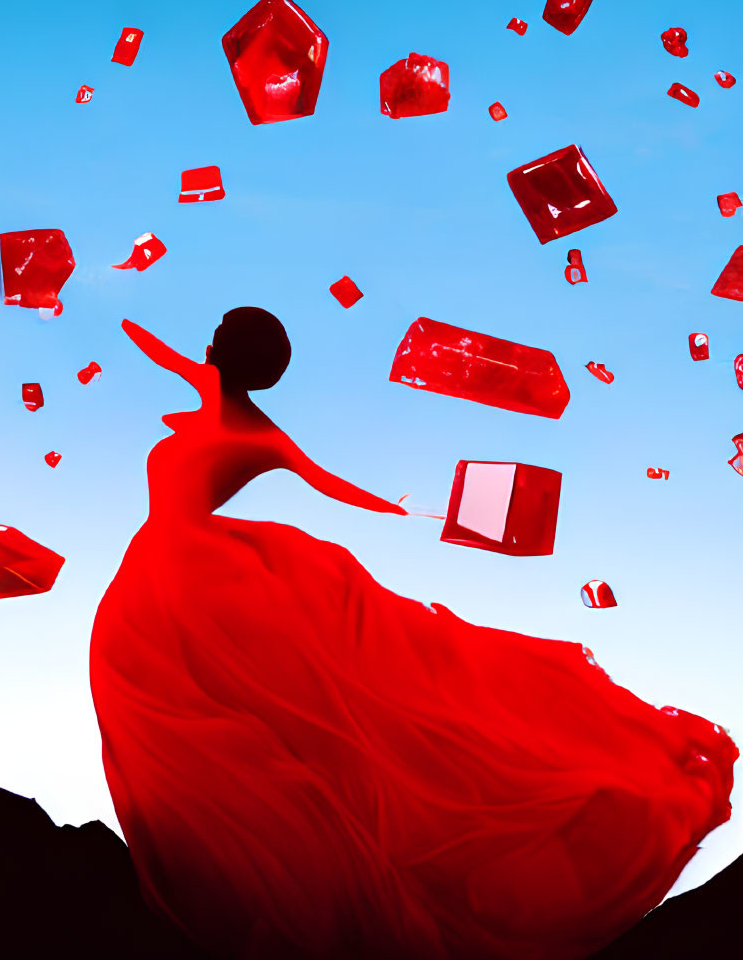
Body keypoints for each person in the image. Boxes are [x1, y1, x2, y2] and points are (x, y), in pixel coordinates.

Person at [90, 308, 736, 960]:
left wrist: (410, 507)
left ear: (222, 350)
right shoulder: (227, 402)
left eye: (217, 341)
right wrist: (113, 301)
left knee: (239, 710)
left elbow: (330, 483)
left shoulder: (255, 428)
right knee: (207, 716)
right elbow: (160, 352)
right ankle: (256, 879)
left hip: (199, 572)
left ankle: (282, 886)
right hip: (180, 567)